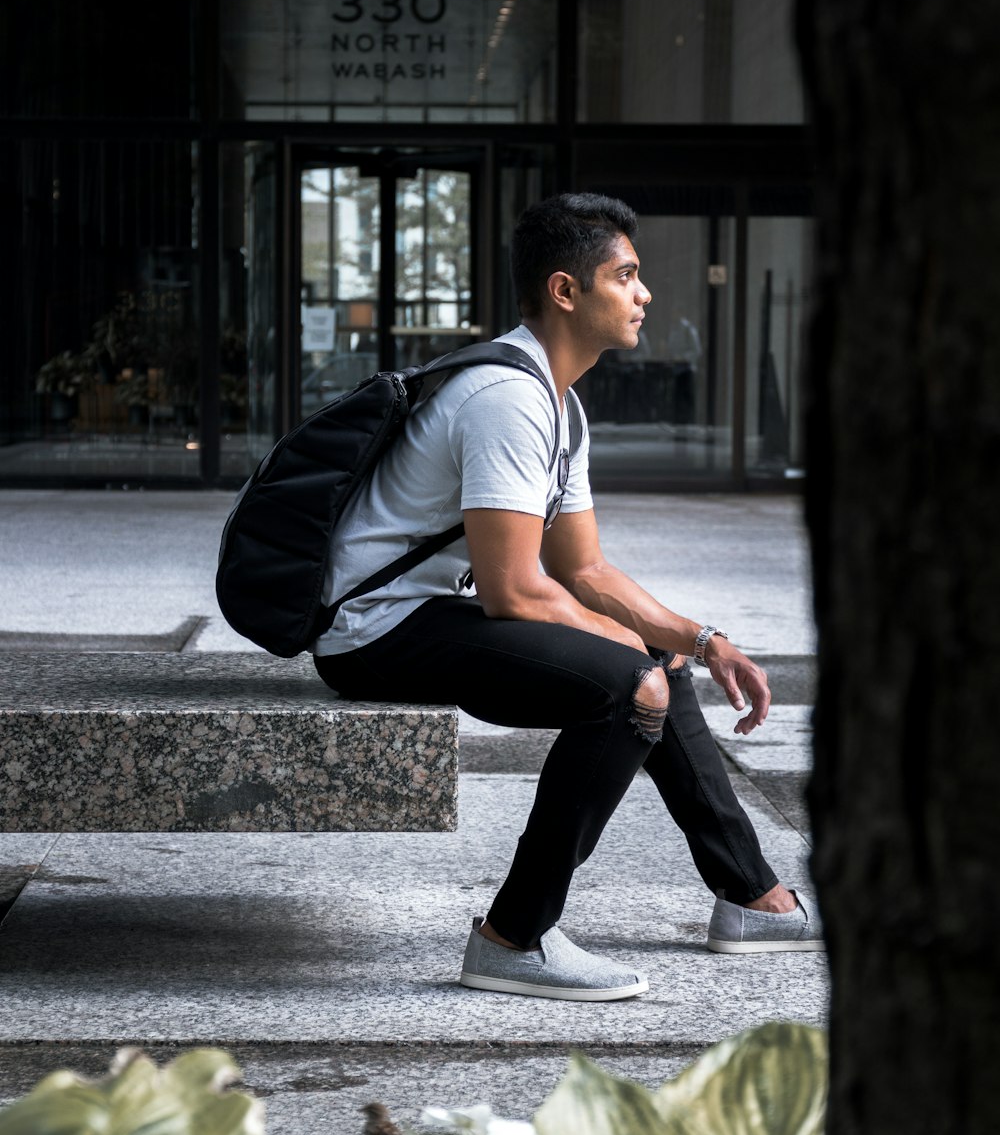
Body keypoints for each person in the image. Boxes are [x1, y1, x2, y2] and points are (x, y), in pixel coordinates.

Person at [312, 192, 822, 1001]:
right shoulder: (506, 399)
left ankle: (750, 897)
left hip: (430, 610)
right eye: (625, 275)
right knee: (629, 690)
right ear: (565, 291)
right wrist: (641, 663)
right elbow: (515, 588)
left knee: (651, 664)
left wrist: (703, 641)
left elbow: (585, 573)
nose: (644, 293)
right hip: (373, 632)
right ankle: (513, 936)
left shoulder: (559, 404)